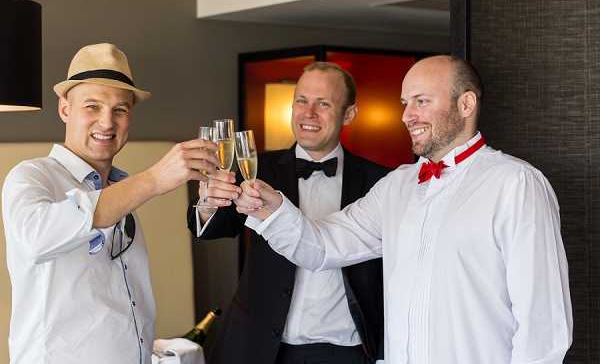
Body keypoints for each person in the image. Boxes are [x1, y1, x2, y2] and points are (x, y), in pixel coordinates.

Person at [234, 55, 573, 364]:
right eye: (405, 103)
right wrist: (273, 207)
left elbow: (542, 324)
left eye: (421, 101)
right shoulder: (396, 186)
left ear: (466, 104)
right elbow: (324, 246)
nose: (407, 115)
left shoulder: (516, 184)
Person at [1, 43, 219, 364]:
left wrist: (208, 205)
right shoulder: (32, 177)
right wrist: (155, 179)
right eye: (92, 106)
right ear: (65, 109)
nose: (107, 123)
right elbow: (37, 238)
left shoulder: (122, 189)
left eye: (120, 110)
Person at [188, 62, 389, 364]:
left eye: (323, 103)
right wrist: (206, 202)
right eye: (301, 101)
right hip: (262, 348)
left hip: (346, 352)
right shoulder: (255, 168)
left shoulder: (380, 182)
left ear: (349, 114)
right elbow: (214, 228)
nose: (309, 114)